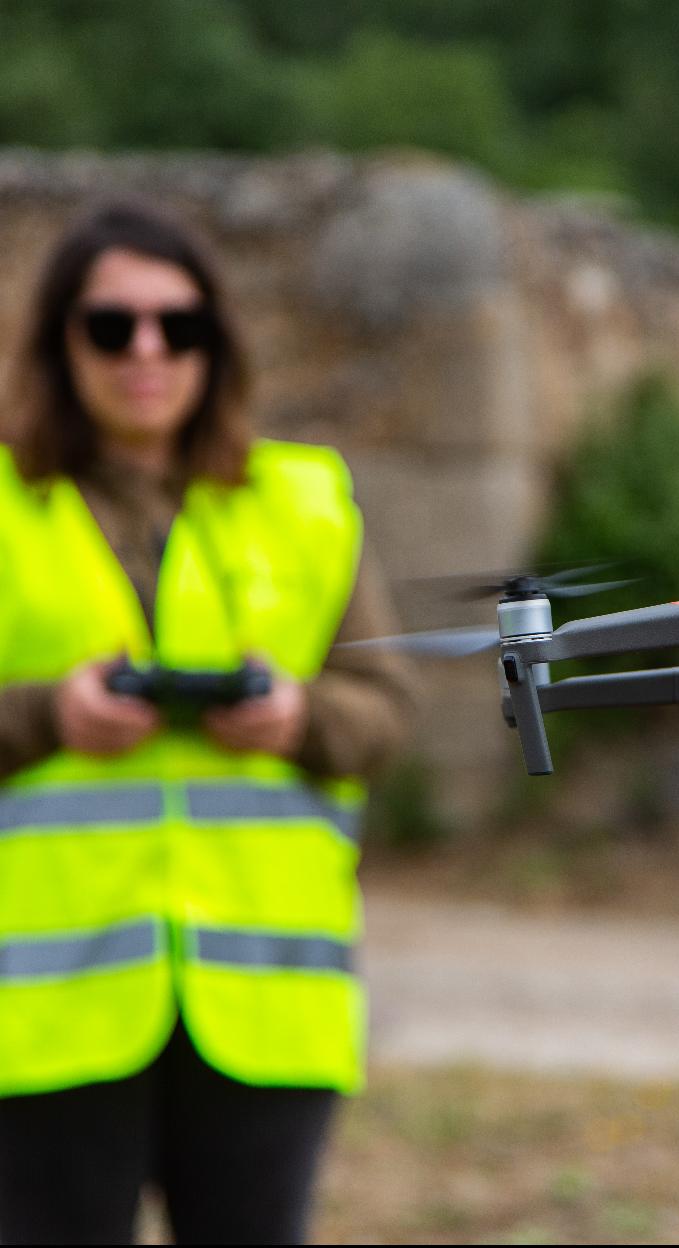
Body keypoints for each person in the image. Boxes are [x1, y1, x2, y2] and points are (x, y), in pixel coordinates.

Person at [0, 201, 417, 1245]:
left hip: (266, 1009)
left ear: (214, 344)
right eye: (110, 326)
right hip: (41, 1015)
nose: (146, 350)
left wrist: (297, 717)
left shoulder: (307, 503)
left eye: (176, 326)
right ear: (59, 343)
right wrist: (48, 714)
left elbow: (386, 712)